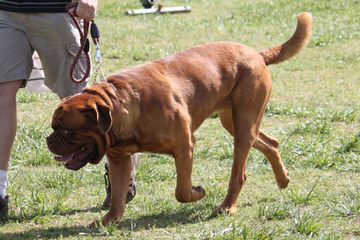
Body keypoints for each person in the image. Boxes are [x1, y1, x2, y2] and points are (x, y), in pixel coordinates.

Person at [0, 0, 137, 221]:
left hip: (57, 10)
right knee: (2, 93)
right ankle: (0, 191)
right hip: (5, 11)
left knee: (81, 104)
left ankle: (122, 169)